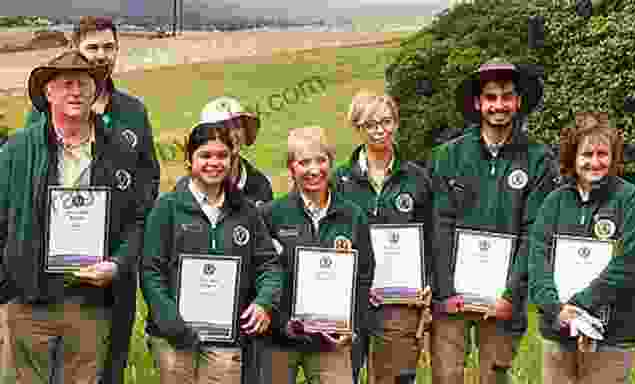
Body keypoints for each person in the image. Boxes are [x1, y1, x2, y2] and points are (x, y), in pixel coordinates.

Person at [20, 16, 161, 384]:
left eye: (108, 47)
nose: (101, 55)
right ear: (76, 50)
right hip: (54, 266)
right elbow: (27, 180)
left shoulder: (135, 111)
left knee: (109, 361)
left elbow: (148, 183)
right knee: (55, 364)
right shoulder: (44, 109)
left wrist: (124, 254)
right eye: (92, 48)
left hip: (114, 264)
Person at [427, 57, 557, 384]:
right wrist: (444, 291)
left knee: (494, 379)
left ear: (518, 101)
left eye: (507, 96)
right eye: (491, 97)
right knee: (447, 377)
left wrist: (511, 295)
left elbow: (535, 233)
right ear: (477, 103)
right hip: (452, 299)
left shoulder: (539, 159)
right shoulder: (448, 155)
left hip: (502, 303)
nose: (499, 105)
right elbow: (439, 224)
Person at [140, 117, 284, 384]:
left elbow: (269, 265)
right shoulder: (166, 208)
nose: (214, 163)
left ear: (232, 159)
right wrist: (172, 322)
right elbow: (151, 271)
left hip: (225, 339)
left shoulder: (247, 211)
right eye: (205, 155)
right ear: (189, 159)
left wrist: (264, 303)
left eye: (222, 155)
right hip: (173, 338)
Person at [528, 112, 635, 383]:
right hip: (559, 331)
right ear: (573, 157)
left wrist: (578, 304)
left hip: (614, 335)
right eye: (586, 154)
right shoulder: (554, 202)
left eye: (602, 154)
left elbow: (633, 265)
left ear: (613, 156)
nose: (595, 162)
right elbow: (537, 260)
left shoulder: (631, 200)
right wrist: (556, 309)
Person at [258, 126, 376, 384]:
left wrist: (352, 326)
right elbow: (260, 275)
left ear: (331, 163)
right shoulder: (270, 215)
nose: (314, 170)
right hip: (279, 339)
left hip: (331, 341)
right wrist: (280, 324)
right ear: (291, 168)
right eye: (304, 162)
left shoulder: (352, 216)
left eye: (321, 160)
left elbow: (365, 276)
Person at [332, 91, 432, 384]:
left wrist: (430, 284)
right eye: (370, 124)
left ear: (396, 123)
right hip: (350, 300)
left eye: (386, 122)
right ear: (358, 129)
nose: (379, 130)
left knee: (396, 379)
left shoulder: (417, 178)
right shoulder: (339, 181)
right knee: (339, 376)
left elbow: (431, 238)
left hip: (400, 302)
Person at [173, 96, 272, 207]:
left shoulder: (260, 184)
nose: (233, 134)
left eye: (237, 126)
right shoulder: (185, 189)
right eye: (224, 128)